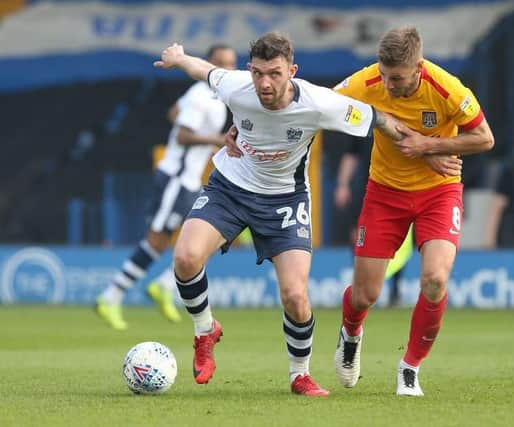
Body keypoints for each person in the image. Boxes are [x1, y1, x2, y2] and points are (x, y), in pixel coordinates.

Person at [152, 32, 407, 396]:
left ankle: (299, 375)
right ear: (248, 70)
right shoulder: (238, 86)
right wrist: (179, 57)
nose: (264, 83)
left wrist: (429, 147)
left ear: (293, 71)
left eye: (274, 73)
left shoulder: (320, 103)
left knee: (295, 295)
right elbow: (205, 70)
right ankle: (204, 329)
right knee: (185, 257)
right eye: (257, 73)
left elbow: (379, 119)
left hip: (285, 200)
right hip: (230, 188)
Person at [332, 26, 495, 396]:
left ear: (419, 67)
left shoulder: (448, 89)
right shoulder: (367, 80)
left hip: (439, 194)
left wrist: (430, 146)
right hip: (384, 194)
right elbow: (321, 105)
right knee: (364, 295)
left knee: (435, 280)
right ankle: (351, 333)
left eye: (398, 78)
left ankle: (410, 368)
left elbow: (485, 138)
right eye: (384, 75)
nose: (388, 85)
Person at [95, 45, 237, 331]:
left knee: (213, 235)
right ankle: (111, 296)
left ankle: (163, 285)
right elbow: (183, 135)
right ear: (208, 63)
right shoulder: (200, 95)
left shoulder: (211, 96)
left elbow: (174, 113)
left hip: (190, 181)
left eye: (231, 64)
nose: (227, 69)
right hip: (176, 178)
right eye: (221, 63)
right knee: (158, 241)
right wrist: (217, 139)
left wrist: (204, 138)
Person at [333, 136, 413, 307]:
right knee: (358, 236)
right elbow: (351, 153)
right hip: (366, 186)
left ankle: (395, 291)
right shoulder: (365, 115)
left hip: (399, 186)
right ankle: (359, 286)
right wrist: (343, 184)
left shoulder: (404, 115)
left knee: (400, 240)